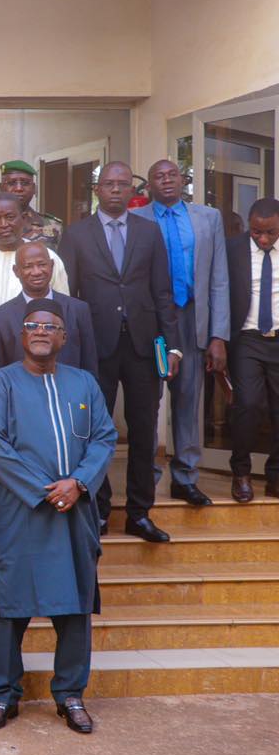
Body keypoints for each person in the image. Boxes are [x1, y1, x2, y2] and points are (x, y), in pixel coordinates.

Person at [0, 299, 117, 735]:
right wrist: (45, 490)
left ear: (63, 337)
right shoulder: (0, 384)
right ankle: (3, 696)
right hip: (19, 512)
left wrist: (77, 483)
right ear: (22, 335)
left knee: (73, 608)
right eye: (32, 325)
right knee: (8, 610)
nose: (41, 331)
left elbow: (104, 437)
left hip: (74, 512)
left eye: (50, 326)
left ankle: (70, 694)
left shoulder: (84, 384)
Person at [59, 161, 180, 543]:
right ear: (97, 190)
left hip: (144, 345)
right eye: (108, 184)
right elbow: (67, 297)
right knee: (96, 430)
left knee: (144, 430)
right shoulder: (77, 235)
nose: (115, 190)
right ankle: (97, 510)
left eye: (122, 184)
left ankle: (139, 513)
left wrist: (171, 346)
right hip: (96, 345)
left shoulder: (149, 232)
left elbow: (162, 292)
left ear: (132, 190)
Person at [133, 159, 229, 507]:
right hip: (153, 322)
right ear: (150, 186)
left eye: (172, 174)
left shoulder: (208, 218)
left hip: (191, 318)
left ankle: (185, 477)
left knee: (189, 398)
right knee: (149, 400)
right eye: (158, 176)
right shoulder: (137, 220)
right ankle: (147, 479)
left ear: (183, 180)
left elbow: (219, 278)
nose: (167, 180)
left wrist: (218, 334)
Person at [225, 197, 279, 502]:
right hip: (247, 338)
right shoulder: (233, 249)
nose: (262, 238)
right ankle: (241, 473)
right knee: (247, 405)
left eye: (270, 232)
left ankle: (275, 477)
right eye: (256, 232)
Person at [0, 241, 98, 376]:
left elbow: (90, 367)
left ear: (52, 265)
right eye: (28, 266)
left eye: (42, 264)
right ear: (16, 271)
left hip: (71, 395)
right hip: (21, 396)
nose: (36, 272)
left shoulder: (78, 310)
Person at [0, 193, 71, 329]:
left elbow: (63, 306)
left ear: (24, 218)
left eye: (10, 217)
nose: (3, 224)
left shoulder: (47, 258)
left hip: (32, 345)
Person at [0, 160, 64, 248]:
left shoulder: (53, 226)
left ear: (34, 188)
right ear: (1, 188)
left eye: (25, 183)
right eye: (11, 183)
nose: (19, 188)